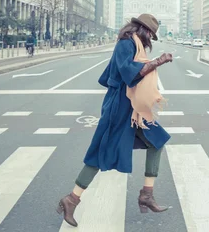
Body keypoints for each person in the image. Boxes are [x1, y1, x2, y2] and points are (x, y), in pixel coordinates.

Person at [56, 14, 173, 227]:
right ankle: (71, 199)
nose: (150, 39)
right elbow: (130, 74)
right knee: (100, 152)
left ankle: (147, 194)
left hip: (133, 108)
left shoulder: (135, 45)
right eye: (150, 34)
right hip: (119, 108)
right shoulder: (125, 44)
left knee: (158, 140)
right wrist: (159, 61)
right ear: (142, 30)